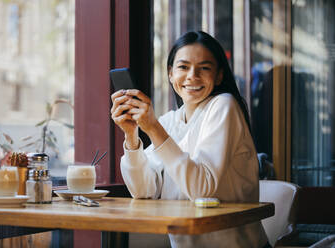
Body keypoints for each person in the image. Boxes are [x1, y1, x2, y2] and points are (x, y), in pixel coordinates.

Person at [110, 31, 270, 248]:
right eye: (183, 67)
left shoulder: (224, 105)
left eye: (204, 68)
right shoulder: (170, 121)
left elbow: (202, 189)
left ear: (219, 75)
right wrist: (131, 135)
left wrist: (154, 129)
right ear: (170, 74)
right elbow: (143, 191)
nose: (192, 76)